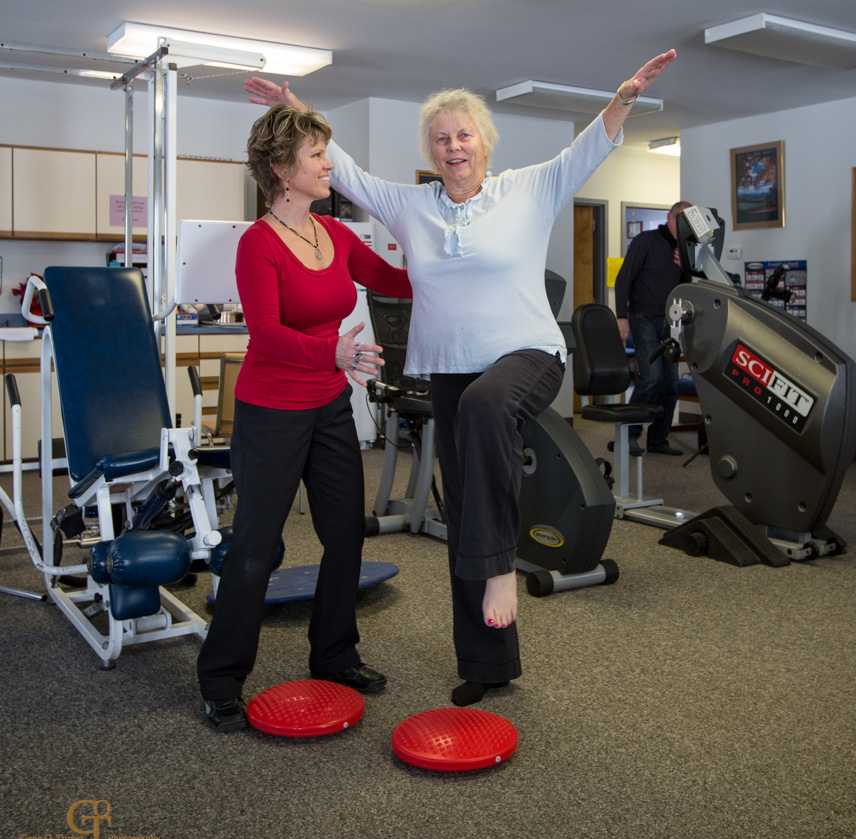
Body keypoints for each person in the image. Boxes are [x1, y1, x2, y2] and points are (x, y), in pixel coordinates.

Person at [246, 49, 676, 707]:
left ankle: (502, 569)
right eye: (441, 138)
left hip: (527, 354)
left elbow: (588, 151)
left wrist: (623, 98)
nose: (453, 147)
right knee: (466, 497)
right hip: (448, 367)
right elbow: (348, 172)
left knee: (483, 409)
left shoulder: (528, 188)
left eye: (464, 135)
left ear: (485, 143)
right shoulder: (409, 205)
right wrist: (297, 113)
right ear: (431, 149)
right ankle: (487, 664)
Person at [197, 104, 412, 731]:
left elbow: (396, 280)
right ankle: (221, 677)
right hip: (269, 411)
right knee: (256, 549)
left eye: (326, 153)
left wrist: (454, 255)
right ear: (281, 170)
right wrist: (334, 351)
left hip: (327, 405)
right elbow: (263, 334)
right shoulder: (257, 244)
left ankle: (335, 654)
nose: (328, 165)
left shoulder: (338, 235)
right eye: (317, 155)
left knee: (346, 532)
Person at [614, 200, 692, 456]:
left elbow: (688, 288)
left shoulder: (685, 249)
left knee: (670, 383)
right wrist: (621, 317)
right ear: (670, 217)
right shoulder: (645, 241)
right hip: (643, 317)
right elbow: (623, 277)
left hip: (672, 322)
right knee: (651, 377)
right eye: (680, 220)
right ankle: (628, 435)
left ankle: (658, 440)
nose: (684, 226)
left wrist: (686, 269)